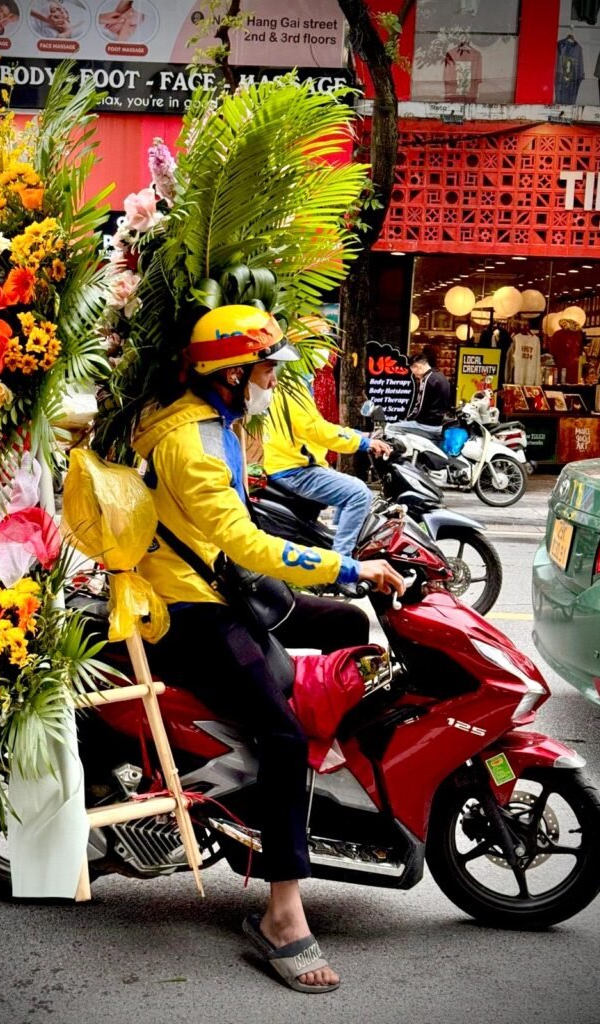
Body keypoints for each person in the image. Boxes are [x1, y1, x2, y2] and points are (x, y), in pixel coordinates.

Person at [133, 305, 405, 994]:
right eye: (262, 370)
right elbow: (245, 542)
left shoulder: (220, 422)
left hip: (223, 585)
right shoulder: (192, 444)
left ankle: (330, 783)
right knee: (283, 736)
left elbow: (251, 522)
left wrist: (347, 559)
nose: (270, 382)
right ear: (227, 377)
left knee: (346, 627)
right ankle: (282, 914)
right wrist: (347, 567)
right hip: (188, 610)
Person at [260, 374, 391, 557]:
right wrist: (362, 443)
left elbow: (318, 426)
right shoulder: (293, 383)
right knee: (359, 494)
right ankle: (341, 567)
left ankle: (333, 547)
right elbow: (315, 429)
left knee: (347, 490)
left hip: (288, 462)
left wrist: (361, 435)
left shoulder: (290, 379)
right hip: (295, 468)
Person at [397, 352, 451, 437]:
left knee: (391, 428)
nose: (416, 376)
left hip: (426, 425)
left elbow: (419, 406)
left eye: (414, 373)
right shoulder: (441, 377)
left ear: (417, 367)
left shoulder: (427, 379)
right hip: (438, 424)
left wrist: (407, 419)